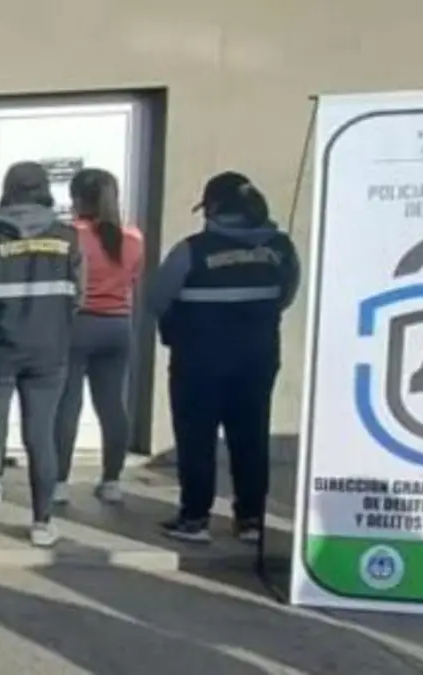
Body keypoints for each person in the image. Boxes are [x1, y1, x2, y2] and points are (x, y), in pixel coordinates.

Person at [148, 171, 299, 544]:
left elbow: (156, 299)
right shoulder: (281, 248)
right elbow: (285, 295)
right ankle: (250, 519)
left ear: (213, 208)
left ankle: (195, 519)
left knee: (196, 440)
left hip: (198, 361)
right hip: (257, 359)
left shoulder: (191, 250)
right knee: (251, 438)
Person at [0, 162, 82, 547]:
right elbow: (79, 295)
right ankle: (42, 523)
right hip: (49, 350)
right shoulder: (68, 238)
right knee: (41, 436)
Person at [53, 169, 145, 505]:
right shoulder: (133, 236)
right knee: (112, 404)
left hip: (77, 323)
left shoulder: (69, 235)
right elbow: (134, 278)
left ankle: (59, 482)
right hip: (117, 325)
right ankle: (111, 481)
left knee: (68, 403)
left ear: (77, 198)